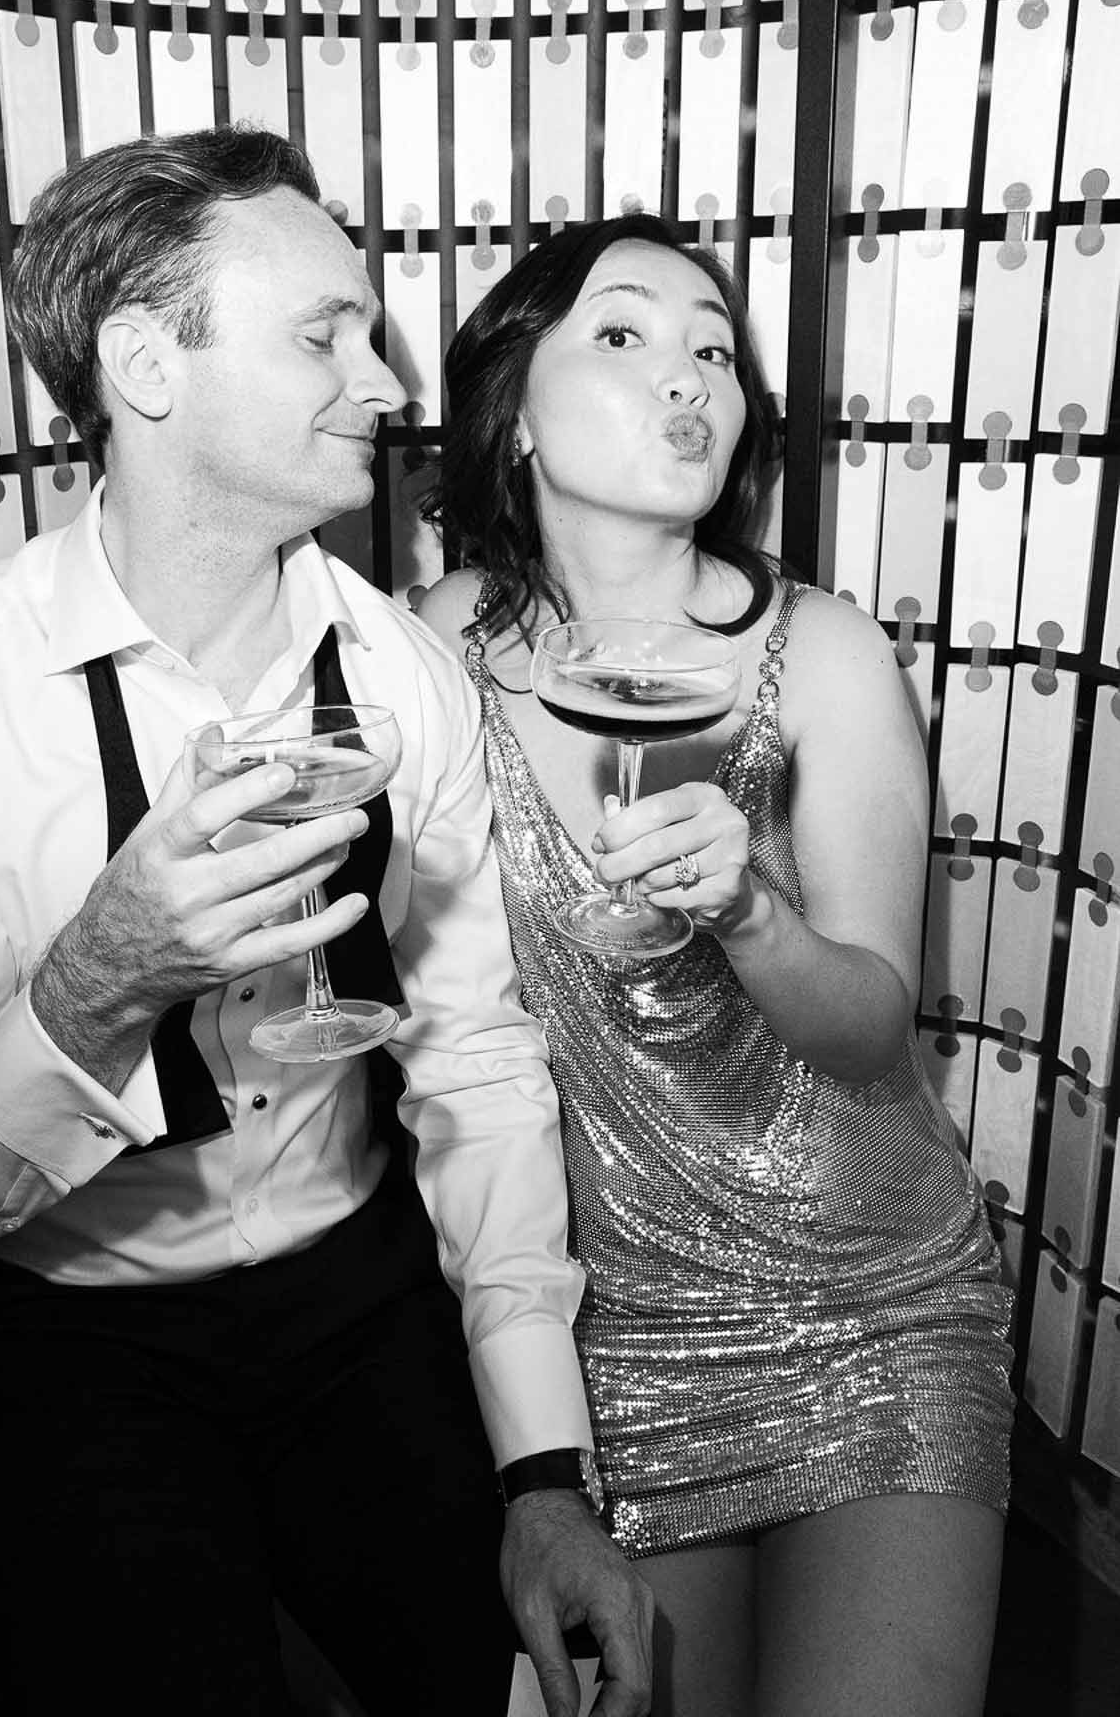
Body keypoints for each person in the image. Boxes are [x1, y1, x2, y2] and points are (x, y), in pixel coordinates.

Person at [0, 129, 654, 1717]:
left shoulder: (404, 677)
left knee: (532, 1689)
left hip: (355, 1296)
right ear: (146, 365)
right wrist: (98, 978)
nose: (390, 383)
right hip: (54, 1331)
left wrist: (547, 1471)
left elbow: (474, 1058)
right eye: (325, 333)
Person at [416, 213, 1016, 1717]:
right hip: (617, 1339)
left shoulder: (816, 650)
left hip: (871, 1299)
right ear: (512, 413)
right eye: (620, 334)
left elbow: (874, 1029)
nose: (687, 374)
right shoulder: (430, 656)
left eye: (711, 349)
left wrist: (750, 913)